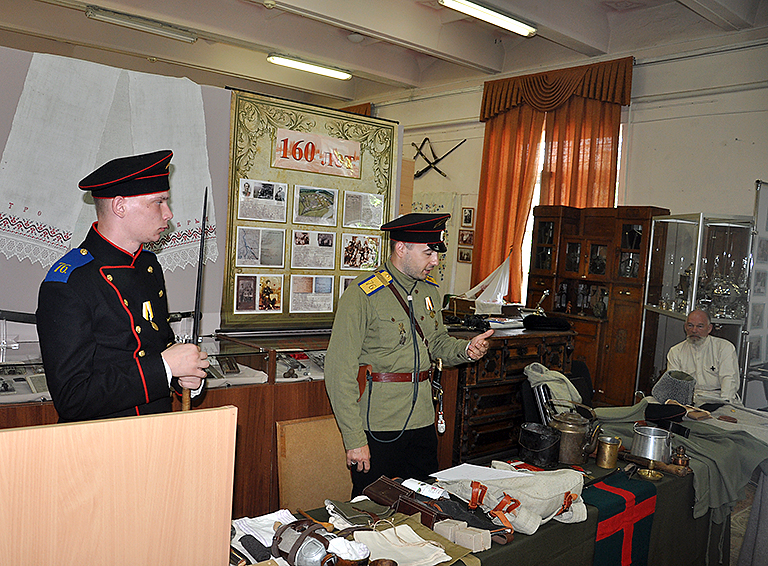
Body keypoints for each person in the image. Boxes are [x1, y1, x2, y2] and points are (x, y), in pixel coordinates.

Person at [324, 212, 494, 496]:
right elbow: (339, 370)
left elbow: (437, 343)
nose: (435, 261)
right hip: (380, 427)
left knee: (424, 505)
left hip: (423, 424)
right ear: (401, 248)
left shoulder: (429, 292)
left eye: (436, 253)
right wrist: (354, 438)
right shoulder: (362, 294)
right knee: (375, 510)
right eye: (428, 252)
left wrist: (467, 349)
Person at [36, 150, 208, 422]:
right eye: (159, 202)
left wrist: (185, 376)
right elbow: (72, 398)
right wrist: (165, 366)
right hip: (103, 446)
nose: (168, 214)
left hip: (157, 436)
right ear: (120, 206)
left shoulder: (148, 266)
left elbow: (157, 346)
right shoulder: (69, 282)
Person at [666, 308, 741, 404]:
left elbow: (729, 381)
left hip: (717, 399)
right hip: (689, 400)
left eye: (700, 326)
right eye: (690, 325)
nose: (694, 330)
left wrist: (724, 404)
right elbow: (673, 385)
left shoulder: (724, 348)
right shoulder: (676, 351)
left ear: (709, 328)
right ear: (685, 327)